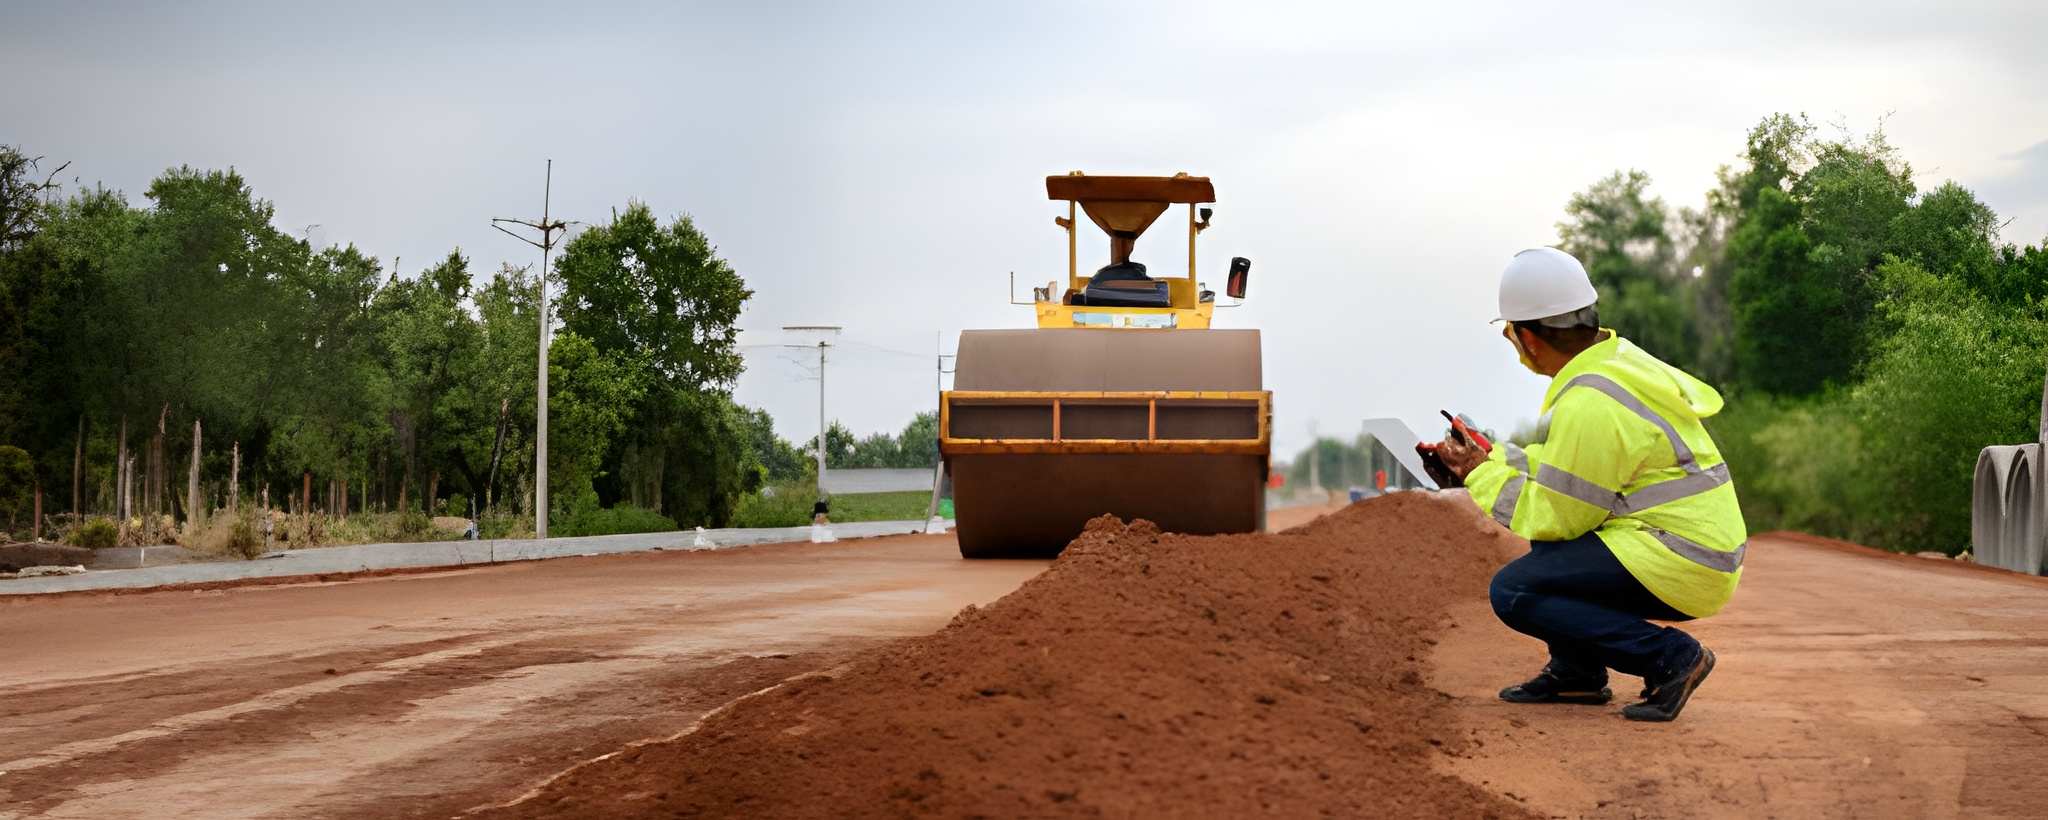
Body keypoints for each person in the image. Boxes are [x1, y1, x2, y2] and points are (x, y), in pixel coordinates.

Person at [1431, 247, 1746, 722]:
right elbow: (1570, 472)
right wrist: (1496, 455)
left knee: (1516, 592)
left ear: (1529, 339)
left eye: (1512, 337)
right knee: (1553, 555)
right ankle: (1576, 674)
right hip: (1698, 544)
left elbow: (1556, 516)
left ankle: (1670, 656)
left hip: (1685, 557)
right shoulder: (1616, 365)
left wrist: (1478, 473)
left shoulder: (1589, 403)